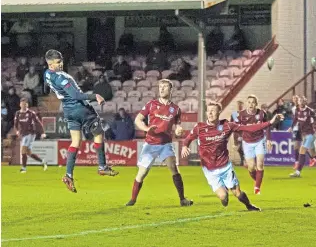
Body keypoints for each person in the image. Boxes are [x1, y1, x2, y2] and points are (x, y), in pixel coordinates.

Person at [181, 102, 283, 210]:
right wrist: (184, 146)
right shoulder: (200, 127)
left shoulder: (227, 126)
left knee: (237, 193)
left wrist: (270, 122)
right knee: (224, 197)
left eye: (213, 110)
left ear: (219, 112)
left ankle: (249, 206)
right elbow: (188, 139)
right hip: (209, 169)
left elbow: (250, 128)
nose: (210, 113)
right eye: (208, 110)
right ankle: (224, 191)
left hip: (225, 166)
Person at [44, 49, 118, 193]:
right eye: (58, 62)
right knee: (98, 133)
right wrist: (94, 96)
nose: (61, 64)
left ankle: (68, 175)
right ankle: (102, 166)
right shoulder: (60, 78)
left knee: (75, 142)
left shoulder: (47, 74)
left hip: (68, 111)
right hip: (80, 108)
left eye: (61, 61)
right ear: (50, 63)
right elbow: (77, 95)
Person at [126, 79, 193, 207]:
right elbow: (138, 120)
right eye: (160, 87)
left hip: (165, 144)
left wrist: (179, 130)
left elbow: (178, 126)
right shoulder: (151, 104)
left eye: (165, 87)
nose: (161, 89)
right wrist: (146, 129)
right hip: (150, 144)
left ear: (170, 90)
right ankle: (133, 199)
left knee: (174, 168)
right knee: (142, 173)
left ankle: (182, 199)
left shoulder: (176, 109)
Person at [235, 95, 272, 195]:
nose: (251, 104)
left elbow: (268, 126)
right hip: (247, 142)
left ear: (256, 104)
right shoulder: (241, 115)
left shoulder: (261, 113)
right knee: (251, 167)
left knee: (260, 164)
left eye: (253, 102)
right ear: (247, 103)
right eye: (249, 102)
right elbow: (235, 128)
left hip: (260, 140)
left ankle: (257, 187)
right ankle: (258, 180)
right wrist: (238, 139)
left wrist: (268, 140)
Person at [288, 96, 316, 177]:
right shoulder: (297, 110)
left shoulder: (310, 111)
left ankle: (298, 172)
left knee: (302, 150)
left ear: (306, 102)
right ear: (298, 102)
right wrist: (291, 127)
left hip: (311, 135)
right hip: (304, 135)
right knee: (313, 154)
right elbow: (295, 120)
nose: (301, 102)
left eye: (303, 101)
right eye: (300, 100)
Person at [14, 98, 47, 173]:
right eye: (22, 104)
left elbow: (38, 122)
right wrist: (17, 131)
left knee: (23, 150)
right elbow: (15, 124)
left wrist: (42, 132)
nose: (23, 105)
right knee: (28, 153)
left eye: (25, 104)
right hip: (23, 134)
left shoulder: (31, 113)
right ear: (20, 105)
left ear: (27, 105)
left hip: (30, 133)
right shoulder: (17, 113)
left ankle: (23, 168)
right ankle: (42, 162)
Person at [230, 100, 245, 166]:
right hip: (236, 133)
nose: (240, 106)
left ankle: (243, 160)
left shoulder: (245, 113)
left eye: (241, 104)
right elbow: (231, 123)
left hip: (243, 133)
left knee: (241, 147)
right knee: (238, 147)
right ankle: (242, 160)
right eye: (239, 104)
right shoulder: (234, 114)